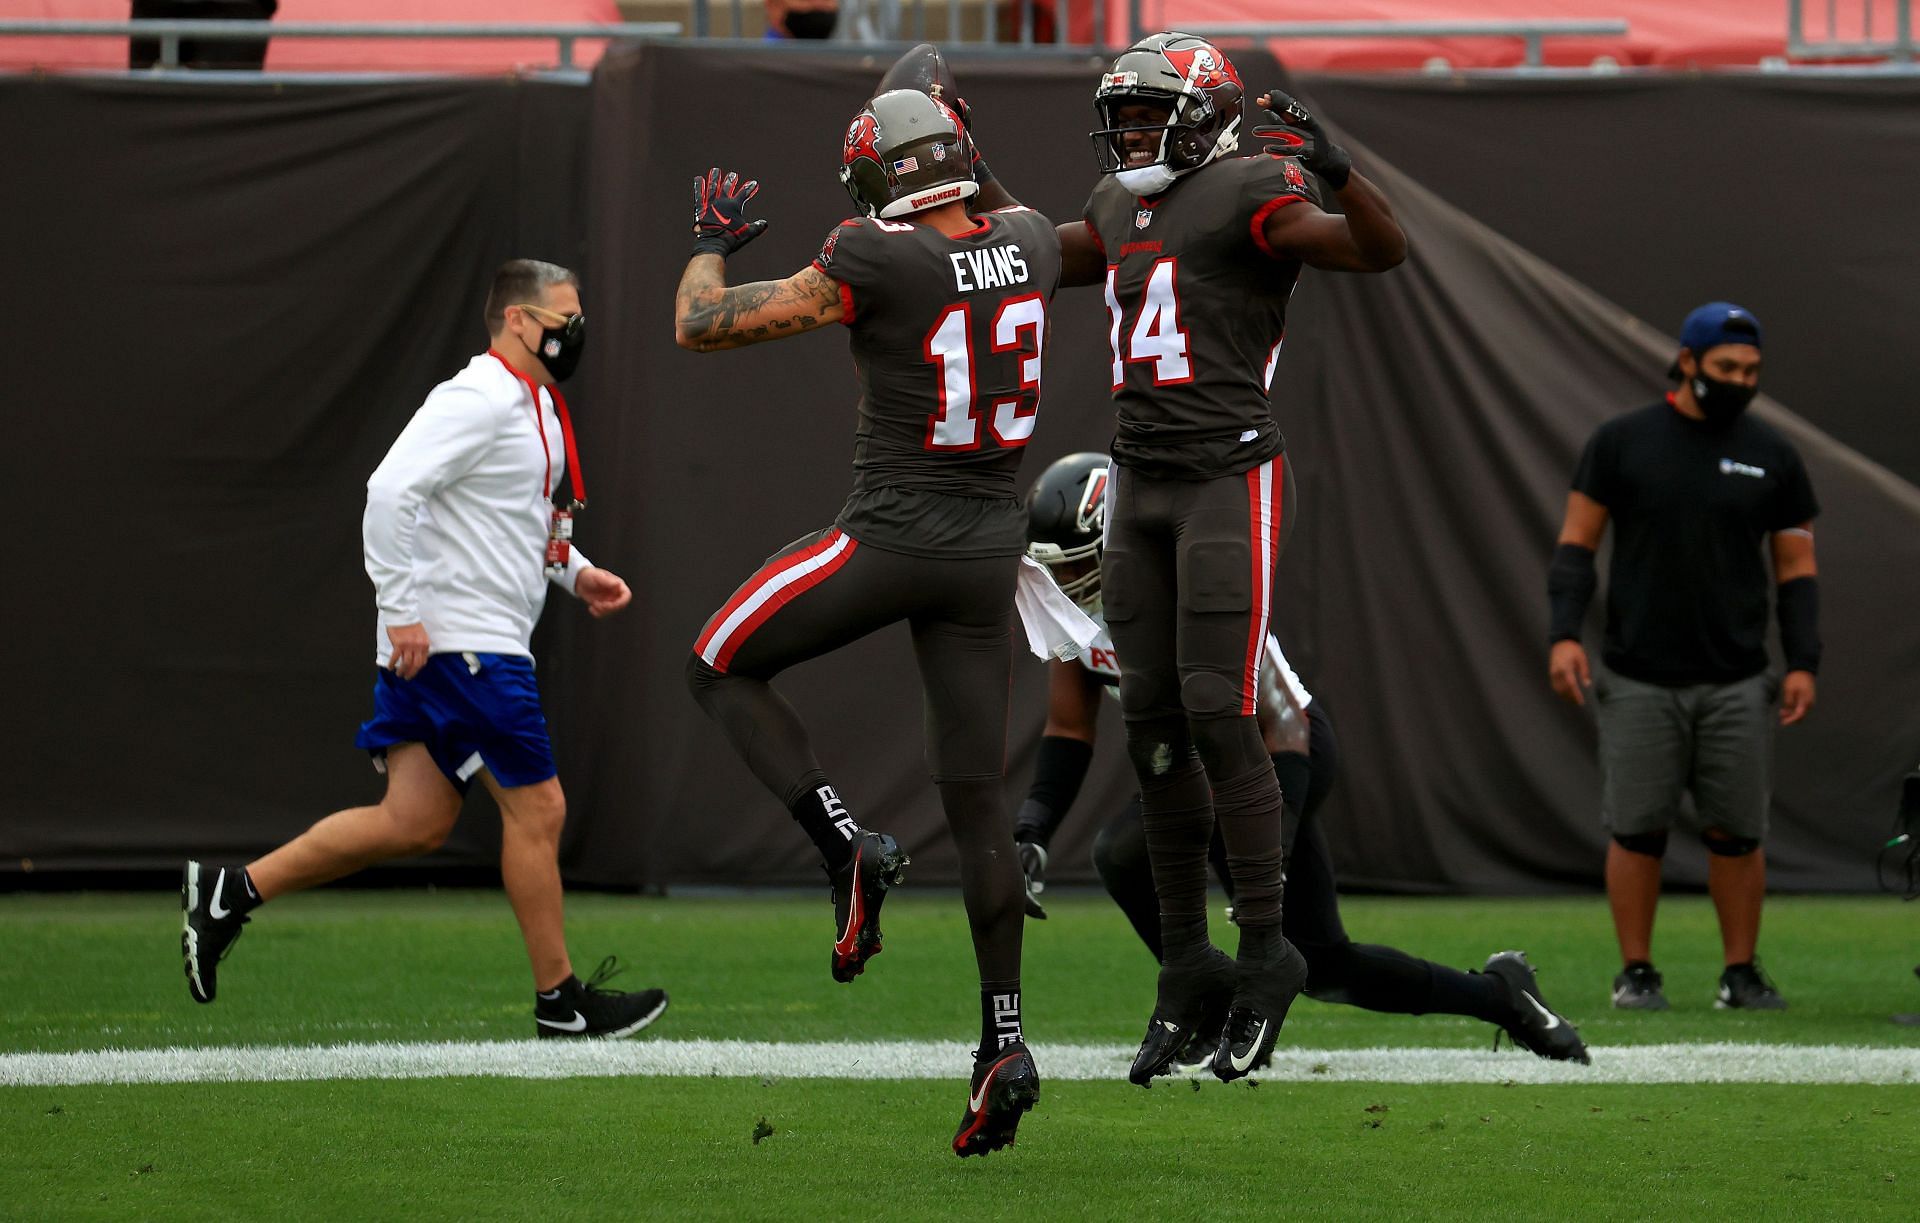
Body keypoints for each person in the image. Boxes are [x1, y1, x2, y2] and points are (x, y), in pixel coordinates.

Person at [978, 32, 1406, 1082]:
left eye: (1145, 113)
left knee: (1220, 705)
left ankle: (1268, 948)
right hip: (1142, 477)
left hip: (1231, 474)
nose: (1127, 132)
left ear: (1202, 113)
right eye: (1118, 115)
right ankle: (1183, 958)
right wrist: (959, 181)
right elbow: (1037, 249)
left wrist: (1343, 170)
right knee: (1156, 722)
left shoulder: (1251, 187)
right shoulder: (1121, 204)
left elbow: (1377, 250)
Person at [672, 88, 1062, 1157]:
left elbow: (699, 324)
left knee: (716, 661)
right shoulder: (1030, 239)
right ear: (970, 156)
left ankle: (845, 846)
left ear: (876, 182)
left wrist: (710, 245)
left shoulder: (870, 253)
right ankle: (1004, 1041)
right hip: (989, 557)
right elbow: (1011, 223)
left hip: (891, 537)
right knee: (978, 803)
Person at [180, 259, 668, 1041]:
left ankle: (230, 892)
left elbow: (515, 520)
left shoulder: (533, 402)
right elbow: (389, 489)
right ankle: (561, 1000)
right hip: (464, 644)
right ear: (516, 319)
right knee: (540, 808)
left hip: (458, 641)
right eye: (562, 318)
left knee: (411, 821)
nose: (575, 333)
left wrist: (578, 576)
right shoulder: (478, 396)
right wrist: (401, 607)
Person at [1018, 452, 1590, 1068]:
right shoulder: (1083, 621)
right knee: (1324, 965)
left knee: (1125, 850)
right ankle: (1502, 996)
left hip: (1282, 752)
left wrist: (1275, 837)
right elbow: (1069, 726)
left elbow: (1284, 718)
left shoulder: (1191, 588)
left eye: (1075, 564)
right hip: (1209, 769)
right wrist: (1034, 829)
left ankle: (1215, 1006)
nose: (1065, 587)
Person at [1548, 302, 1820, 1011]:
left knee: (1738, 831)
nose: (1741, 380)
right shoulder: (1621, 442)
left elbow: (1796, 571)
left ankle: (1740, 973)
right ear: (1689, 361)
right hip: (1639, 672)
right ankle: (1635, 971)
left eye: (1752, 371)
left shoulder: (1774, 454)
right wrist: (1564, 633)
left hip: (1737, 676)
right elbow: (1575, 546)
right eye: (1727, 368)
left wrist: (1802, 660)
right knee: (1637, 829)